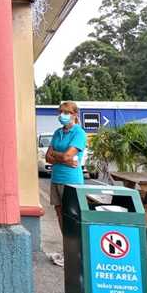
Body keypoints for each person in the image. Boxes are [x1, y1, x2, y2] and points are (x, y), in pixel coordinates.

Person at [45, 100, 86, 267]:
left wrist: (58, 157)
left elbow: (69, 156)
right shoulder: (57, 132)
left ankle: (77, 251)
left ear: (74, 115)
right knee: (60, 214)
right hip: (56, 179)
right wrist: (61, 158)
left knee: (73, 216)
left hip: (72, 181)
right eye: (61, 112)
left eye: (66, 112)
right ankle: (67, 249)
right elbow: (47, 157)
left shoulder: (79, 133)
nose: (62, 116)